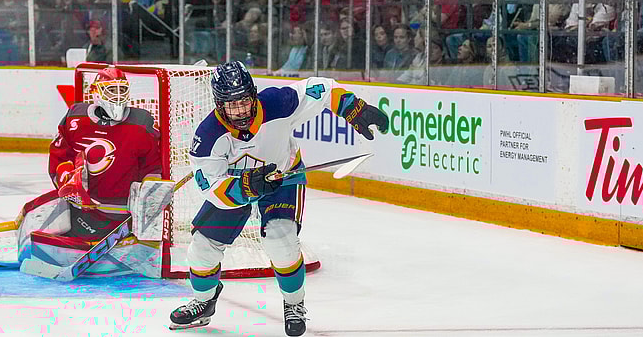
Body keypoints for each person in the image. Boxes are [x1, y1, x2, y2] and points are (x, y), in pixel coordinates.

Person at [169, 61, 389, 336]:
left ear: (254, 95)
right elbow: (210, 187)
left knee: (281, 241)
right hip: (235, 187)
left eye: (244, 101)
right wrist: (245, 187)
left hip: (283, 178)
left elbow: (321, 89)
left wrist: (352, 108)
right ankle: (204, 301)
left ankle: (294, 304)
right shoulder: (207, 136)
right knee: (202, 248)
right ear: (218, 104)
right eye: (232, 105)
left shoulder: (278, 103)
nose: (240, 110)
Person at [48, 66, 162, 240]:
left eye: (122, 90)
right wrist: (67, 181)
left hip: (125, 215)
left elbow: (152, 165)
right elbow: (59, 157)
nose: (117, 96)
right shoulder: (75, 118)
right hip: (82, 212)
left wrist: (149, 195)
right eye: (111, 90)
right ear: (96, 92)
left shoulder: (141, 122)